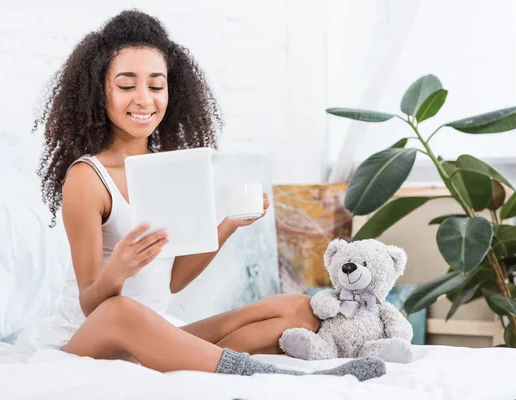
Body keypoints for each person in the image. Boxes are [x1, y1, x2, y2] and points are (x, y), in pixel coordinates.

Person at [33, 9, 385, 379]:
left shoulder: (169, 169)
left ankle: (176, 356)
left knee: (297, 309)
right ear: (97, 91)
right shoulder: (88, 177)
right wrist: (118, 270)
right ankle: (276, 378)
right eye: (126, 85)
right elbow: (93, 304)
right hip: (90, 340)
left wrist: (228, 225)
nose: (143, 99)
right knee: (120, 310)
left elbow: (169, 283)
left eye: (156, 86)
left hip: (150, 331)